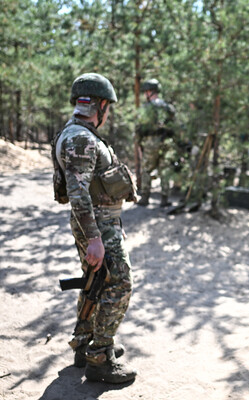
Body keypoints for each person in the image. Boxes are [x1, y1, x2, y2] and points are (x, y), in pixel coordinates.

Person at [52, 73, 137, 383]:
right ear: (101, 105)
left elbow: (93, 189)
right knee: (120, 284)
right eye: (108, 108)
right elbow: (77, 193)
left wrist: (111, 226)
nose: (108, 113)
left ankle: (87, 342)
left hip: (101, 222)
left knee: (96, 281)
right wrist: (96, 239)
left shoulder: (79, 133)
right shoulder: (80, 138)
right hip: (96, 224)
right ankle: (99, 358)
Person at [135, 78, 177, 207]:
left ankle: (145, 197)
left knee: (147, 169)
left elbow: (139, 128)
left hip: (150, 142)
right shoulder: (168, 108)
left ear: (149, 92)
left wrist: (138, 143)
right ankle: (164, 198)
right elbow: (175, 126)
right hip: (166, 142)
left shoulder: (145, 108)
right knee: (164, 169)